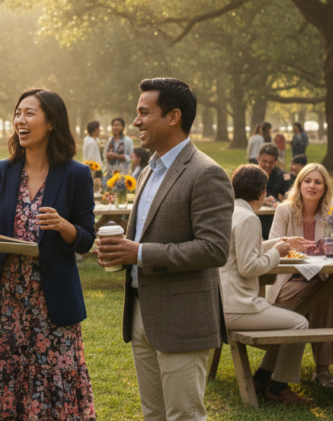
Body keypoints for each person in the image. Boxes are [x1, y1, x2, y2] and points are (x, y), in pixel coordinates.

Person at [97, 77, 233, 421]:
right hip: (142, 312)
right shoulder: (148, 170)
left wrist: (139, 254)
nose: (136, 121)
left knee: (184, 416)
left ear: (173, 117)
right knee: (154, 416)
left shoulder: (206, 173)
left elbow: (214, 249)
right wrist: (117, 254)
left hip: (183, 319)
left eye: (144, 113)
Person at [0, 88, 97, 419]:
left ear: (51, 122)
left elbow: (86, 238)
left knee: (53, 381)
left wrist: (64, 226)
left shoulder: (76, 174)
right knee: (2, 378)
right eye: (17, 113)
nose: (20, 120)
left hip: (51, 303)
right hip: (5, 301)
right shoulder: (1, 171)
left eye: (29, 113)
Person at [221, 165, 312, 405]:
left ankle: (261, 378)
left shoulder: (228, 211)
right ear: (262, 192)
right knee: (299, 324)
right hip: (237, 307)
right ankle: (278, 388)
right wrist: (277, 252)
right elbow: (249, 267)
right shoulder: (249, 218)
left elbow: (242, 251)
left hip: (220, 303)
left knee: (288, 319)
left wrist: (280, 242)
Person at [267, 163, 333, 389]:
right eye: (307, 181)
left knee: (326, 293)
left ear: (324, 188)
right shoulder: (284, 210)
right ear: (299, 184)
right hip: (287, 281)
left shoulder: (331, 215)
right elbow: (275, 247)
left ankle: (322, 369)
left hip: (319, 279)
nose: (312, 186)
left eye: (318, 182)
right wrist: (298, 250)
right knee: (327, 295)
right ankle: (323, 370)